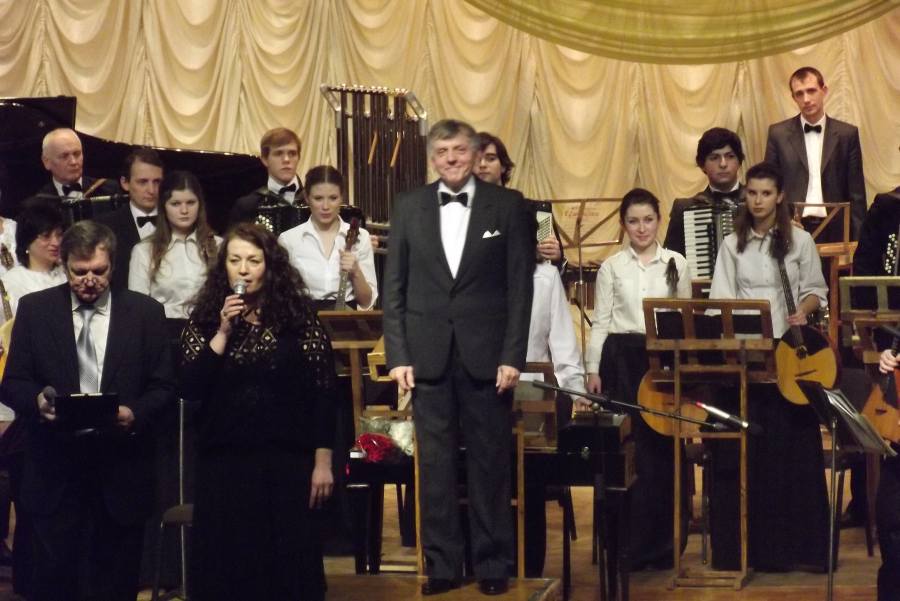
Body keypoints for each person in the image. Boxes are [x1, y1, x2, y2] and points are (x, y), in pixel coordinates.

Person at [384, 119, 533, 596]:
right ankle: (442, 565)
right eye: (442, 151)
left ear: (474, 154)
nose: (450, 158)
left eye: (459, 150)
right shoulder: (408, 206)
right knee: (435, 468)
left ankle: (492, 564)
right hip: (427, 357)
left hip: (487, 358)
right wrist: (398, 355)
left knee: (490, 465)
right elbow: (394, 288)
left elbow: (519, 289)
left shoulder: (508, 205)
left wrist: (513, 355)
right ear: (432, 157)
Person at [1, 220, 174, 601]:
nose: (90, 281)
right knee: (56, 586)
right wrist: (38, 402)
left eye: (99, 271)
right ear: (64, 265)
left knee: (115, 585)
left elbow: (164, 386)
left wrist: (134, 412)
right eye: (79, 272)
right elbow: (12, 383)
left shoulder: (144, 313)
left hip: (120, 471)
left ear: (113, 265)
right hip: (56, 472)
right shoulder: (36, 310)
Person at [179, 223, 336, 601]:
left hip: (286, 462)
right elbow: (190, 387)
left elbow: (323, 393)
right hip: (225, 464)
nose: (244, 270)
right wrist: (222, 332)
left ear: (270, 265)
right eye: (235, 260)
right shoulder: (205, 320)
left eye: (253, 260)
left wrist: (323, 461)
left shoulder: (299, 320)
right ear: (224, 266)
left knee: (287, 567)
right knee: (229, 569)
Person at [708, 161, 830, 571]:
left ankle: (801, 550)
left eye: (765, 194)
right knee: (753, 450)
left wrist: (803, 311)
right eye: (752, 193)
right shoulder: (732, 244)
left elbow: (815, 290)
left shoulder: (800, 241)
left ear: (779, 197)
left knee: (792, 451)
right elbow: (720, 300)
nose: (758, 201)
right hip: (748, 352)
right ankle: (750, 550)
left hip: (788, 351)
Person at [584, 188, 692, 570]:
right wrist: (592, 369)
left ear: (658, 220)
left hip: (661, 364)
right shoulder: (612, 267)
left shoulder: (677, 262)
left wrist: (683, 370)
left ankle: (663, 546)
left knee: (661, 453)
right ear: (623, 224)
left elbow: (684, 319)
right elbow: (601, 322)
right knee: (627, 454)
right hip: (620, 363)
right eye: (633, 221)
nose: (641, 228)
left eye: (648, 220)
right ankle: (623, 546)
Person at [764, 66, 866, 241]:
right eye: (799, 94)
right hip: (792, 227)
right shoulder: (778, 134)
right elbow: (769, 186)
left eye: (811, 91)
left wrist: (858, 242)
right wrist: (778, 224)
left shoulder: (847, 134)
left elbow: (857, 194)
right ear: (793, 97)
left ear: (824, 90)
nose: (806, 99)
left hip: (837, 229)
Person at [278, 165, 377, 310]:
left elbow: (366, 302)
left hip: (345, 320)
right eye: (318, 198)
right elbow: (280, 296)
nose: (326, 206)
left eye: (333, 198)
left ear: (342, 197)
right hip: (303, 318)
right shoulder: (288, 240)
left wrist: (356, 272)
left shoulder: (361, 237)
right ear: (307, 198)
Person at [128, 170, 221, 319]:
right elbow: (137, 307)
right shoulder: (144, 251)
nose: (184, 210)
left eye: (190, 203)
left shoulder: (219, 245)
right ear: (163, 206)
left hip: (210, 326)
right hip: (163, 328)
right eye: (175, 204)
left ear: (200, 204)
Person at [476, 131, 563, 266]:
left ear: (503, 166)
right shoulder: (458, 213)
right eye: (476, 160)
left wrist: (555, 257)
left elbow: (549, 265)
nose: (482, 164)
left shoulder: (535, 211)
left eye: (490, 158)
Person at [664, 127, 745, 258]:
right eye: (714, 158)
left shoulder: (759, 202)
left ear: (739, 161)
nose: (723, 164)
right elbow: (671, 261)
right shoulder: (685, 208)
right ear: (702, 165)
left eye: (730, 156)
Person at [96, 147, 164, 292]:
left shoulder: (175, 222)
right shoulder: (104, 227)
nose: (151, 190)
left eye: (157, 182)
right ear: (125, 183)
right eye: (143, 182)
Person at [31, 128, 120, 220]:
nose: (73, 162)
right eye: (64, 156)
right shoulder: (38, 205)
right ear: (46, 162)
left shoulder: (108, 189)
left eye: (77, 154)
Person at [230, 127, 304, 234]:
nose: (286, 159)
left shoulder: (312, 200)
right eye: (279, 153)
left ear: (298, 158)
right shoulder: (247, 206)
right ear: (265, 159)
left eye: (292, 153)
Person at [1, 203, 66, 316]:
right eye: (46, 236)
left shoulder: (69, 272)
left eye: (59, 235)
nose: (56, 243)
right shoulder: (11, 283)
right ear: (27, 241)